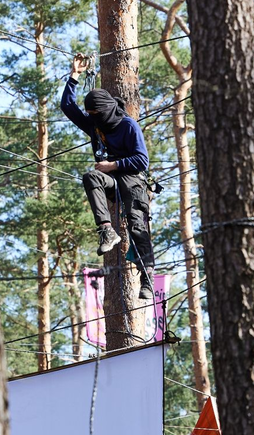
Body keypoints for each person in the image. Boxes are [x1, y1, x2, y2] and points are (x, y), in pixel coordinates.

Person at [61, 54, 155, 300]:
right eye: (90, 115)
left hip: (132, 180)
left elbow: (141, 160)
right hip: (111, 180)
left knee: (137, 225)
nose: (94, 119)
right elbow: (68, 107)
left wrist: (113, 165)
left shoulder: (127, 126)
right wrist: (74, 75)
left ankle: (147, 278)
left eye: (97, 114)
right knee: (91, 177)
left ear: (106, 110)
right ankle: (106, 230)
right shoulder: (95, 125)